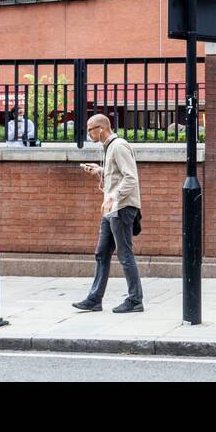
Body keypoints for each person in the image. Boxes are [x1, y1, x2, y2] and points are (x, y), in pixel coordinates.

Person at [72, 114, 143, 313]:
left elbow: (131, 178)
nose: (88, 133)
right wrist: (100, 171)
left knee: (125, 254)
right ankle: (95, 299)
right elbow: (116, 174)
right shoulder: (108, 147)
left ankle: (135, 300)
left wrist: (114, 197)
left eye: (90, 129)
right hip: (111, 208)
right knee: (102, 253)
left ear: (101, 128)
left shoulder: (118, 146)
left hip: (121, 207)